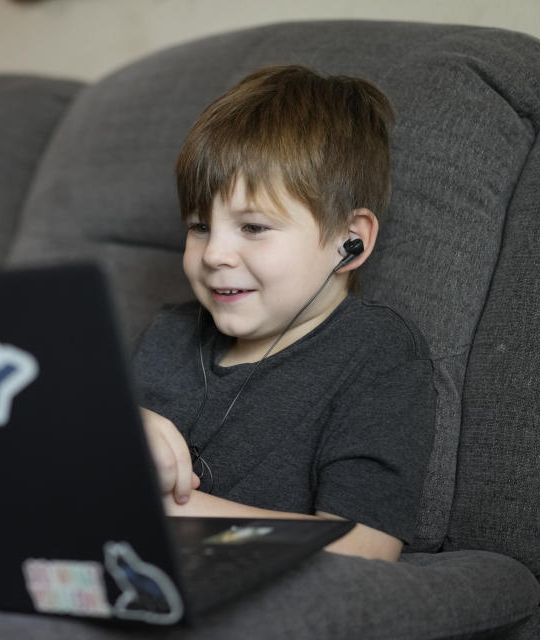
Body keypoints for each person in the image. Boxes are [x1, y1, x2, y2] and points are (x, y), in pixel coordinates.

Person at [133, 65, 436, 562]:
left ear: (350, 240)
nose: (214, 256)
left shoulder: (377, 353)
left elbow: (365, 547)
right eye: (199, 226)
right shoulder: (168, 334)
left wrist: (171, 510)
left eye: (252, 227)